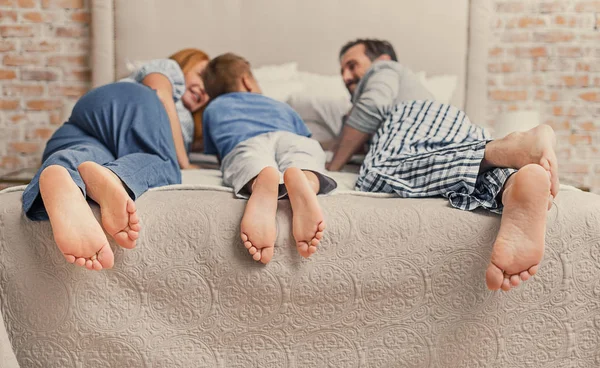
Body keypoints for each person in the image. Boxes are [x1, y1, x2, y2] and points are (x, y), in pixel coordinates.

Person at [328, 39, 559, 292]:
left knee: (377, 172)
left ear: (383, 60)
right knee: (473, 177)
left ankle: (501, 148)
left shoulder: (384, 71)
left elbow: (371, 108)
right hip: (455, 124)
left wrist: (333, 165)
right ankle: (513, 184)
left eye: (352, 66)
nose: (346, 76)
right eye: (342, 71)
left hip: (413, 117)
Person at [21, 48, 210, 271]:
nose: (205, 90)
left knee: (81, 159)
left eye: (211, 90)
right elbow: (160, 93)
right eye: (202, 75)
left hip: (85, 126)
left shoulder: (195, 116)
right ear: (186, 63)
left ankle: (63, 176)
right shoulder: (169, 71)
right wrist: (184, 161)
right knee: (163, 164)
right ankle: (114, 177)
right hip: (128, 103)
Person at [201, 53, 337, 264]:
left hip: (246, 142)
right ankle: (305, 181)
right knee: (305, 155)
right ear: (247, 81)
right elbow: (305, 137)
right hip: (289, 137)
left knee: (246, 161)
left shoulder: (213, 109)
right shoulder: (281, 106)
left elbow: (219, 151)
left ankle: (260, 180)